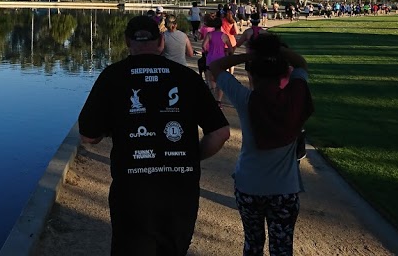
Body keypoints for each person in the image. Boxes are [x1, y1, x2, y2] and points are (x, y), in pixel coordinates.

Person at [79, 16, 231, 256]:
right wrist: (192, 156)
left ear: (127, 41)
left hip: (132, 191)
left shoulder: (112, 76)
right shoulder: (187, 78)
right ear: (161, 42)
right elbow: (221, 133)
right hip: (180, 191)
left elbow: (88, 135)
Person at [207, 33, 313, 256]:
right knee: (282, 248)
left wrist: (250, 57)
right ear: (285, 73)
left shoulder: (246, 100)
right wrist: (276, 53)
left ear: (251, 74)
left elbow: (216, 65)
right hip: (284, 190)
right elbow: (301, 64)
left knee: (253, 244)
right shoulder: (295, 97)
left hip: (249, 186)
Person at [202, 16, 234, 104]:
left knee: (211, 79)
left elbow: (203, 46)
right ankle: (219, 101)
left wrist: (206, 52)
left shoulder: (209, 35)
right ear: (221, 25)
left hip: (210, 59)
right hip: (221, 61)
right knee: (220, 80)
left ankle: (212, 97)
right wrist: (225, 51)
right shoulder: (225, 36)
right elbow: (231, 49)